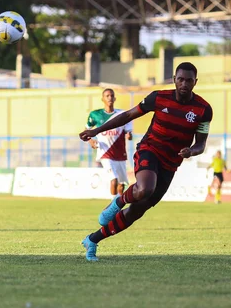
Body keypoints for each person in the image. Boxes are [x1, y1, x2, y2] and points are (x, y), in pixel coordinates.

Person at [79, 62, 212, 261]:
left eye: (189, 80)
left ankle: (92, 240)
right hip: (149, 150)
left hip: (170, 163)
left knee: (138, 210)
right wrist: (96, 131)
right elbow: (128, 115)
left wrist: (191, 151)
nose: (184, 83)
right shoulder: (158, 98)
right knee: (144, 189)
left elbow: (201, 144)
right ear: (175, 80)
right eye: (181, 79)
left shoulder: (203, 110)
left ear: (195, 82)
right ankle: (118, 201)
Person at [85, 88, 133, 196]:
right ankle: (112, 209)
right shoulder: (95, 115)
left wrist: (129, 136)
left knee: (121, 185)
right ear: (102, 99)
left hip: (120, 154)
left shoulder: (122, 115)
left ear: (115, 98)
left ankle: (118, 208)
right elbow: (86, 131)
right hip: (104, 153)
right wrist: (90, 141)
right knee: (113, 180)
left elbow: (129, 134)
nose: (110, 98)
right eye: (107, 96)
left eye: (111, 95)